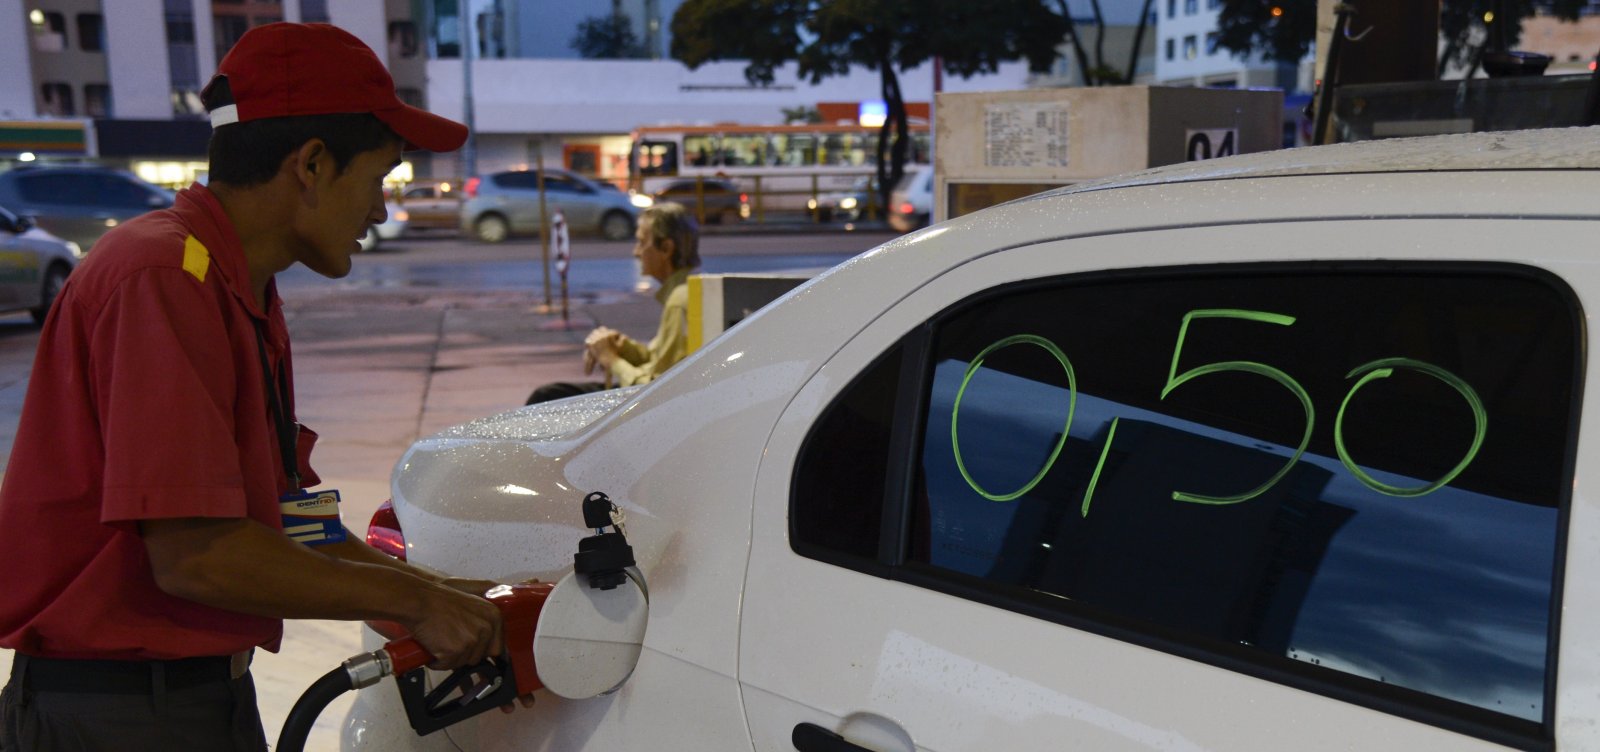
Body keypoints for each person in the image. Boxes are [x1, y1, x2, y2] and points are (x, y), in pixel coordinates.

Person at [0, 23, 513, 752]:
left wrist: (445, 596)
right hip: (115, 715)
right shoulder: (164, 278)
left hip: (197, 698)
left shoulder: (240, 291)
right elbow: (195, 555)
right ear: (310, 164)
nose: (381, 211)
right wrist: (413, 600)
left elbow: (290, 518)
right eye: (378, 179)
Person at [526, 202, 701, 405]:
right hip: (643, 389)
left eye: (641, 243)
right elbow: (658, 358)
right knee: (552, 394)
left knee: (547, 397)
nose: (636, 252)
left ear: (666, 248)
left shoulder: (680, 300)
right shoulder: (683, 291)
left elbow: (656, 390)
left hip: (645, 401)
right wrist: (623, 347)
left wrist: (611, 360)